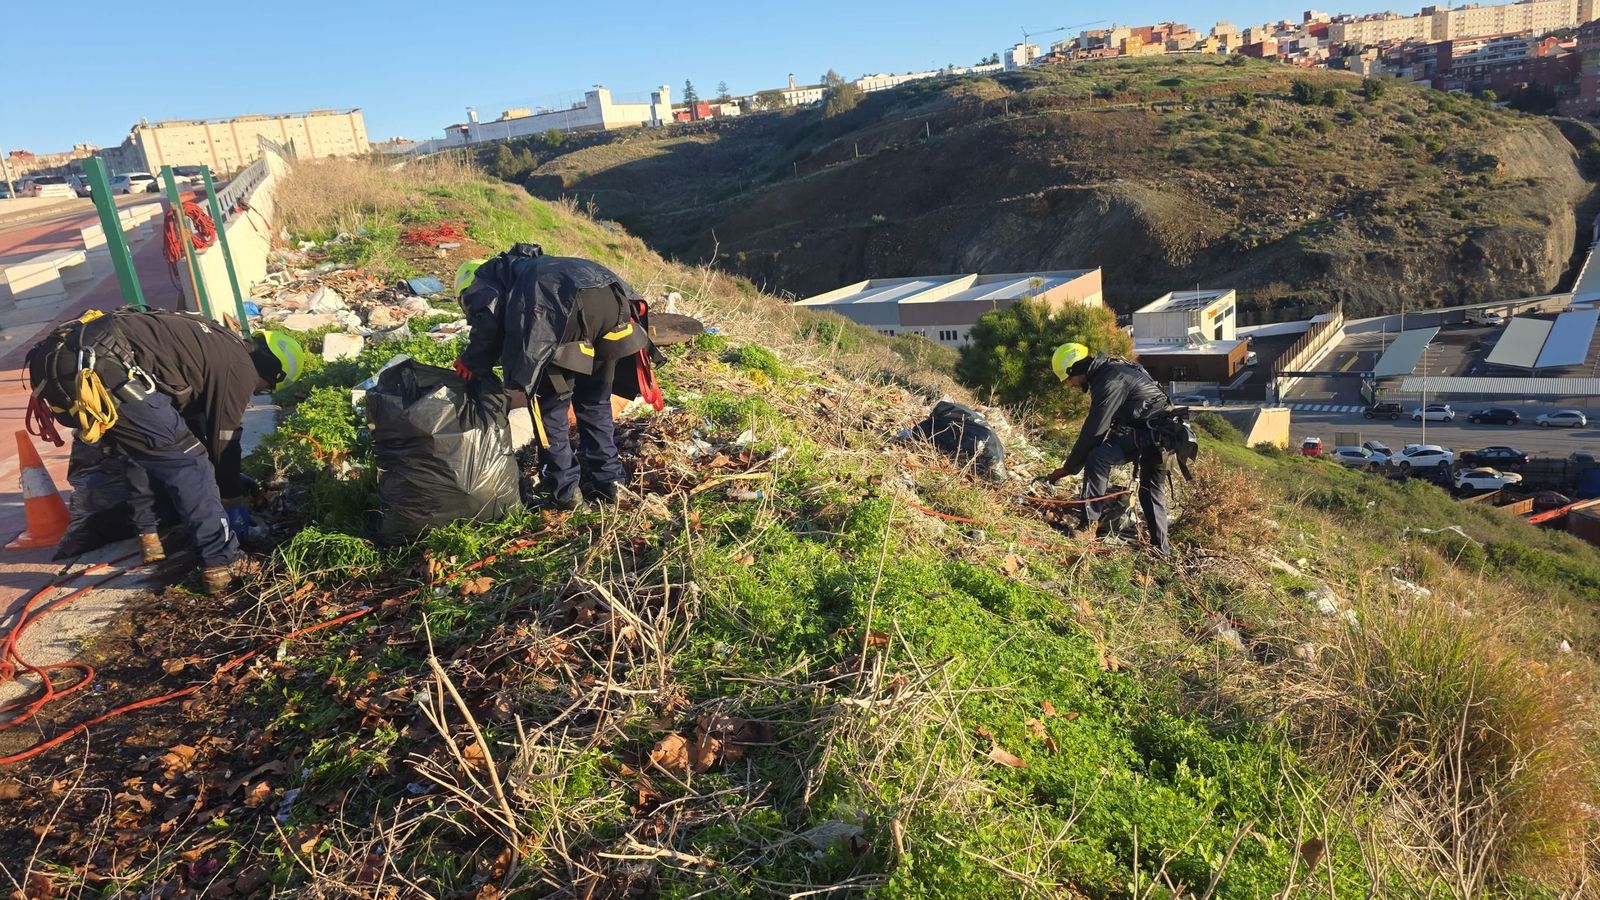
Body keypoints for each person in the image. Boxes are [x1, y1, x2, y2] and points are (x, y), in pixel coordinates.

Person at [27, 309, 304, 593]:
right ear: (271, 370)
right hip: (104, 365)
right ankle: (222, 561)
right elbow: (225, 442)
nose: (254, 393)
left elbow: (189, 428)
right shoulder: (241, 368)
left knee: (149, 448)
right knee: (190, 463)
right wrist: (232, 501)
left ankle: (148, 534)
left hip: (66, 359)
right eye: (264, 388)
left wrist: (229, 481)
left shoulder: (212, 347)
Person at [453, 244, 651, 509]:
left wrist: (471, 361)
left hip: (559, 312)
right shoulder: (534, 266)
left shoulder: (483, 278)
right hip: (610, 300)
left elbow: (489, 321)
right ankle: (611, 483)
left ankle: (566, 492)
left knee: (549, 409)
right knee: (595, 401)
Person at [1044, 342, 1173, 556]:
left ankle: (1089, 525)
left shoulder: (1109, 380)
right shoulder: (1112, 369)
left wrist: (1069, 468)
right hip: (1161, 434)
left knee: (1098, 458)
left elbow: (1095, 430)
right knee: (1151, 491)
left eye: (1068, 380)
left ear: (1075, 369)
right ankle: (1162, 552)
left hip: (1152, 435)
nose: (1070, 385)